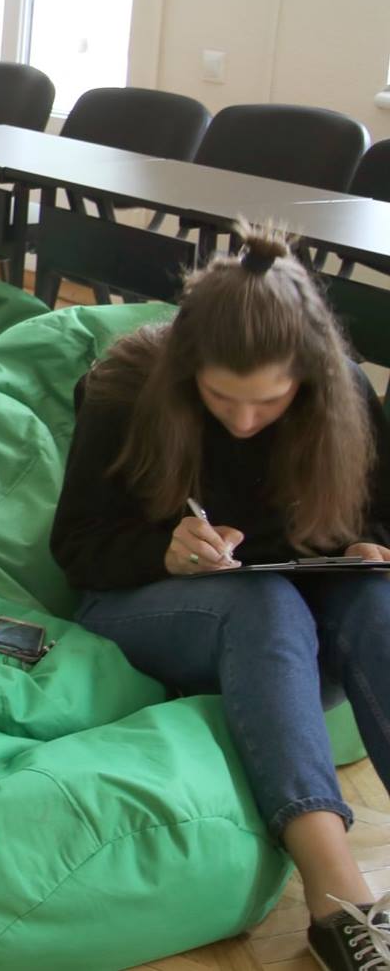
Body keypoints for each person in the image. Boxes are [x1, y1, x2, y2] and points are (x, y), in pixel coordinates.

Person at [49, 232, 390, 969]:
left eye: (270, 400)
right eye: (220, 397)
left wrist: (372, 545)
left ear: (309, 373)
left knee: (376, 600)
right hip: (147, 608)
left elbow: (382, 515)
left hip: (300, 635)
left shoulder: (345, 393)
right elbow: (75, 546)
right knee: (264, 601)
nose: (243, 420)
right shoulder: (124, 388)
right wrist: (163, 551)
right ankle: (337, 899)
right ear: (186, 368)